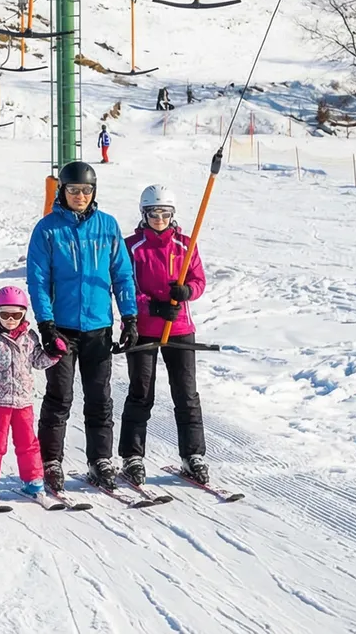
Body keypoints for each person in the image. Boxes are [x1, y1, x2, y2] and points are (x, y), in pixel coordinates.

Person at [27, 161, 138, 493]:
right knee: (60, 397)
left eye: (86, 191)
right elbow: (38, 280)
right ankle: (51, 461)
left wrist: (129, 317)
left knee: (100, 399)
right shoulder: (47, 229)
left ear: (94, 192)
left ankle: (99, 459)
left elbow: (122, 275)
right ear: (62, 191)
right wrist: (45, 324)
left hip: (98, 327)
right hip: (61, 328)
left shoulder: (107, 226)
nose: (80, 196)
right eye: (73, 190)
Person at [120, 185, 212, 487]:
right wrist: (154, 305)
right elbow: (124, 287)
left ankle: (193, 455)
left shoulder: (186, 245)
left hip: (180, 329)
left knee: (186, 395)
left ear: (172, 215)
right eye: (153, 213)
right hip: (144, 329)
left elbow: (198, 280)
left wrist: (187, 292)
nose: (159, 218)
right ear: (143, 214)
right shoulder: (131, 246)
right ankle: (132, 456)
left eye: (165, 213)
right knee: (141, 393)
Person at [0, 285, 60, 504]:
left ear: (24, 314)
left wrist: (55, 353)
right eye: (5, 315)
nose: (10, 319)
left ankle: (33, 480)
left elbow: (38, 361)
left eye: (16, 315)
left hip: (23, 401)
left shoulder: (30, 338)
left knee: (28, 442)